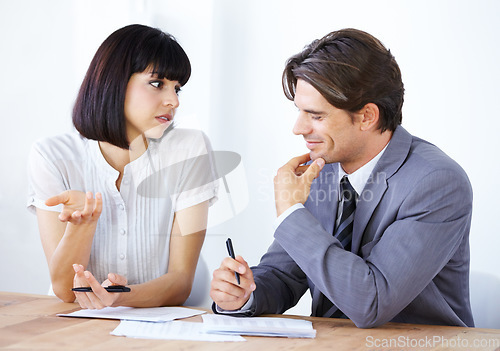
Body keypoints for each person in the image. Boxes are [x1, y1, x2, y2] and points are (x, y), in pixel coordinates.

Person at [210, 28, 474, 328]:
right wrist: (243, 295)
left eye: (316, 115)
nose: (298, 128)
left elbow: (371, 302)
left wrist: (290, 213)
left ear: (366, 116)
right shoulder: (321, 171)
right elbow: (284, 275)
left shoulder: (436, 183)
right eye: (299, 111)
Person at [27, 24, 218, 309]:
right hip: (74, 326)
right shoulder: (52, 156)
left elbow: (180, 282)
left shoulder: (189, 149)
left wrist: (119, 296)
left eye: (177, 88)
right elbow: (66, 290)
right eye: (157, 83)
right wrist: (84, 225)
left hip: (160, 324)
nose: (174, 101)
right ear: (114, 82)